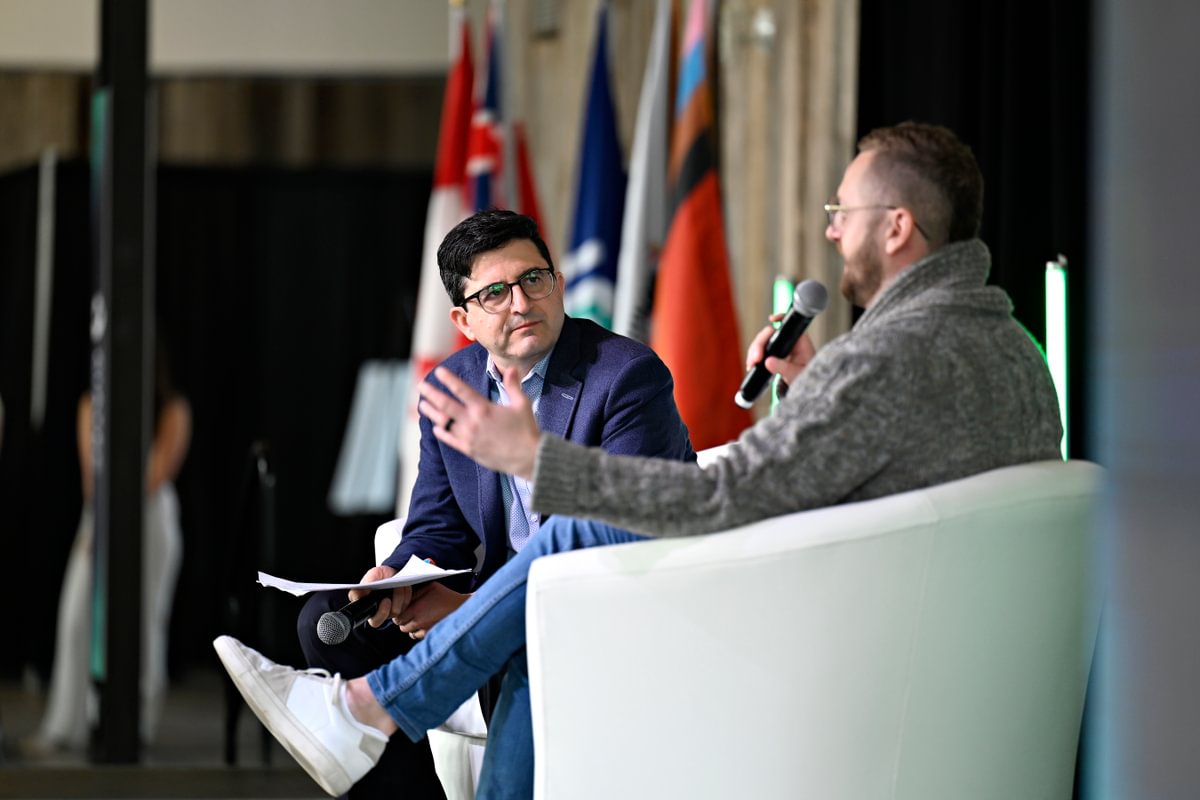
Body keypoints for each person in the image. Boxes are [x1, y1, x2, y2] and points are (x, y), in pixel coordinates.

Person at [214, 122, 1064, 799]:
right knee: (513, 597)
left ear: (898, 226)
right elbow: (880, 491)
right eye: (495, 293)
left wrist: (538, 460)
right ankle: (373, 706)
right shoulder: (1010, 348)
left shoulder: (884, 357)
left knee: (570, 546)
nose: (832, 230)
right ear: (464, 316)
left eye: (843, 211)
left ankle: (372, 707)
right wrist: (813, 389)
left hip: (812, 644)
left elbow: (723, 494)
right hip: (921, 650)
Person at [294, 209, 695, 799]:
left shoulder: (627, 375)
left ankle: (384, 701)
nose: (522, 302)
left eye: (534, 279)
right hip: (506, 597)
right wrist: (399, 579)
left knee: (531, 634)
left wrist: (473, 607)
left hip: (604, 602)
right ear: (463, 319)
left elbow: (619, 535)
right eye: (495, 293)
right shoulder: (449, 387)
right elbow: (437, 526)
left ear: (558, 283)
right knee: (329, 624)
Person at [26, 346, 190, 755]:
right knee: (76, 616)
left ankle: (138, 721)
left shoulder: (173, 408)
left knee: (146, 619)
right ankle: (68, 723)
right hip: (100, 514)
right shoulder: (91, 403)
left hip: (151, 519)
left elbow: (156, 473)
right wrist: (98, 523)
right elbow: (90, 473)